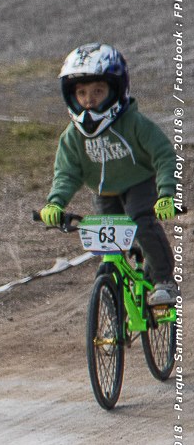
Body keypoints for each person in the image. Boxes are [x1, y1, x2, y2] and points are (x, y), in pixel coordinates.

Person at [39, 43, 180, 305]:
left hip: (139, 183)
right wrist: (55, 202)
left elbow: (163, 156)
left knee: (142, 221)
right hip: (104, 192)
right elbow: (67, 173)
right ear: (71, 96)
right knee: (107, 244)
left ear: (115, 90)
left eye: (98, 91)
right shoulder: (72, 136)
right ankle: (113, 292)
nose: (89, 99)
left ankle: (164, 281)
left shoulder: (135, 124)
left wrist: (167, 193)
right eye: (81, 92)